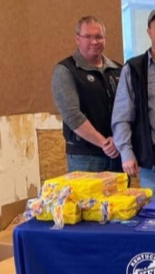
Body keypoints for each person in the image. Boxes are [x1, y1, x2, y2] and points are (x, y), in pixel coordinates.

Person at [112, 8, 155, 197]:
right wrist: (126, 152)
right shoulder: (133, 69)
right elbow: (122, 115)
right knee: (154, 219)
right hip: (153, 161)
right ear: (148, 32)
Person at [52, 16, 122, 172]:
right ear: (78, 39)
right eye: (88, 37)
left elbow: (127, 110)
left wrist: (117, 140)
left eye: (99, 37)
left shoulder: (119, 70)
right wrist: (104, 143)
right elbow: (72, 116)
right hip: (85, 158)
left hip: (117, 153)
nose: (94, 41)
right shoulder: (65, 71)